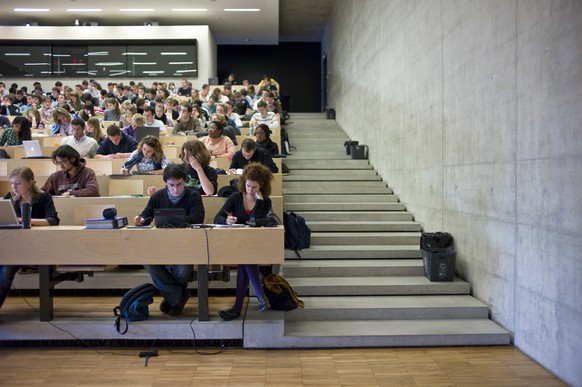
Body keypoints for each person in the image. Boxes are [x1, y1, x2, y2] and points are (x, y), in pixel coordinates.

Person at [134, 164, 204, 316]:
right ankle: (178, 296)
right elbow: (147, 214)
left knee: (184, 268)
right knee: (147, 260)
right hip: (161, 245)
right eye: (171, 185)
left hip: (186, 246)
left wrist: (170, 221)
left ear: (184, 181)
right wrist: (141, 220)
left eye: (179, 185)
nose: (175, 189)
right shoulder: (158, 196)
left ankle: (173, 297)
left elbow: (197, 218)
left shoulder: (193, 196)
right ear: (165, 183)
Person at [214, 163, 274, 320]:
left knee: (245, 258)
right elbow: (217, 217)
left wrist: (259, 202)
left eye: (254, 187)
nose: (250, 190)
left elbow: (255, 221)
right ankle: (259, 297)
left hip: (257, 245)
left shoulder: (265, 201)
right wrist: (227, 220)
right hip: (238, 243)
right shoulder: (235, 197)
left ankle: (239, 306)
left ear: (261, 186)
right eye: (248, 186)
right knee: (245, 258)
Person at [0, 167, 60, 309]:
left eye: (18, 183)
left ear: (30, 182)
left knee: (7, 268)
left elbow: (53, 220)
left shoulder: (44, 197)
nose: (14, 187)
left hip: (36, 247)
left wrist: (27, 220)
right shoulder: (10, 198)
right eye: (12, 183)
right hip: (13, 246)